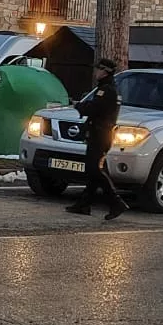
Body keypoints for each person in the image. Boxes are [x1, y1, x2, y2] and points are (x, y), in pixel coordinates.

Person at [68, 57, 130, 220]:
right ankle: (84, 204)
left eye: (98, 69)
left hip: (100, 135)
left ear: (105, 72)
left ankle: (116, 202)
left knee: (96, 170)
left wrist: (79, 105)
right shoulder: (106, 88)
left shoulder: (107, 90)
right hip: (99, 134)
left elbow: (94, 108)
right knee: (93, 171)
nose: (96, 72)